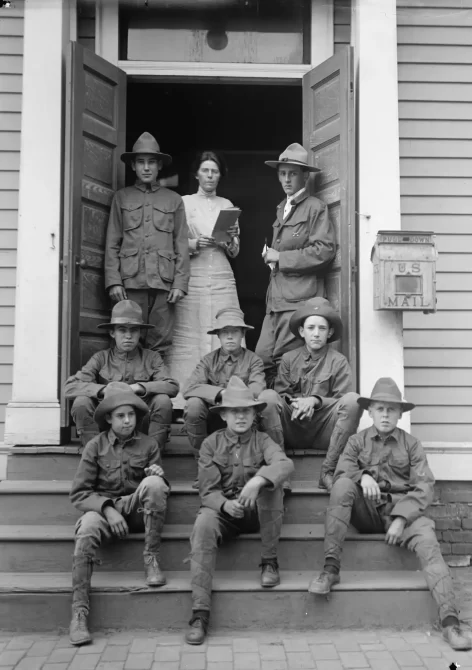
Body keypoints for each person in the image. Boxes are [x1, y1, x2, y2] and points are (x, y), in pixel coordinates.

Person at [308, 377, 472, 652]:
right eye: (380, 409)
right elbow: (340, 472)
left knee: (430, 544)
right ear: (370, 411)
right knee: (343, 485)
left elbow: (424, 487)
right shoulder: (356, 442)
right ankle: (330, 568)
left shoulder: (412, 445)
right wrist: (363, 477)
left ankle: (450, 622)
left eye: (391, 409)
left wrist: (400, 518)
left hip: (403, 513)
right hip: (367, 512)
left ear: (400, 413)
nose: (385, 415)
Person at [185, 376, 294, 645]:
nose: (241, 416)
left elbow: (284, 464)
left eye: (246, 410)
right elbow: (207, 492)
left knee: (273, 489)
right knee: (203, 525)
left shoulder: (264, 440)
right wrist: (224, 504)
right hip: (226, 515)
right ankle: (200, 613)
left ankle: (269, 561)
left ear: (254, 414)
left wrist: (258, 481)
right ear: (224, 415)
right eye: (235, 411)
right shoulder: (211, 444)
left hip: (259, 513)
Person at [69, 382, 169, 646]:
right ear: (109, 419)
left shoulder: (148, 445)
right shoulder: (95, 446)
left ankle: (152, 558)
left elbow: (157, 492)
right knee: (87, 527)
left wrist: (157, 475)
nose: (127, 421)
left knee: (155, 484)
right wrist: (108, 509)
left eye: (131, 415)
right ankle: (79, 612)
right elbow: (80, 493)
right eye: (121, 416)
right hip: (104, 511)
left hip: (136, 510)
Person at [255, 143, 336, 386]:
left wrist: (281, 258)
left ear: (305, 176)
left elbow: (324, 250)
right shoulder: (282, 207)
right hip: (276, 301)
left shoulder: (315, 207)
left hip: (298, 300)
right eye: (283, 173)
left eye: (292, 173)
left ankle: (283, 418)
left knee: (285, 362)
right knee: (261, 359)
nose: (287, 179)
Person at [261, 297, 362, 490]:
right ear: (301, 331)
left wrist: (314, 401)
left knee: (353, 400)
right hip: (292, 426)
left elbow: (344, 402)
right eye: (311, 328)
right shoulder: (289, 359)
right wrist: (299, 403)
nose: (316, 334)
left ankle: (328, 471)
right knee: (267, 397)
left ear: (330, 332)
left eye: (322, 329)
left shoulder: (338, 361)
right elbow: (280, 394)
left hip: (325, 431)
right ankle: (279, 470)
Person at [104, 132, 190, 359]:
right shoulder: (122, 198)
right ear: (133, 165)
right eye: (141, 162)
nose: (146, 167)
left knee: (161, 340)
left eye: (151, 162)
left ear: (159, 165)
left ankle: (155, 391)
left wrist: (180, 283)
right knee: (130, 337)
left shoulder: (174, 200)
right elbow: (113, 242)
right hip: (131, 281)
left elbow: (181, 243)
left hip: (164, 283)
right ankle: (129, 391)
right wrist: (113, 281)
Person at [167, 150, 241, 409]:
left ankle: (225, 397)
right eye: (206, 170)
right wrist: (195, 243)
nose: (210, 175)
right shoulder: (183, 202)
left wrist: (228, 240)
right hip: (193, 273)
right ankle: (182, 400)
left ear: (220, 175)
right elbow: (173, 243)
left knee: (224, 327)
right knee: (189, 331)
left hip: (221, 273)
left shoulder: (227, 204)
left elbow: (235, 251)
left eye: (215, 171)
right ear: (196, 173)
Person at [64, 300, 179, 449]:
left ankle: (153, 454)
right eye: (122, 330)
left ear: (140, 333)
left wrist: (136, 388)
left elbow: (172, 386)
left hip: (140, 421)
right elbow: (70, 388)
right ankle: (94, 452)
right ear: (112, 333)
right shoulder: (101, 358)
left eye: (134, 330)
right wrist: (104, 390)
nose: (128, 336)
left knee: (163, 400)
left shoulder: (151, 358)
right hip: (108, 422)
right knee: (81, 402)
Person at [183, 307, 282, 462]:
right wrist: (221, 394)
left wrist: (237, 398)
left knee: (269, 397)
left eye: (235, 331)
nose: (229, 337)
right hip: (217, 417)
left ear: (243, 334)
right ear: (218, 335)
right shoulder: (208, 360)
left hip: (246, 418)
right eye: (224, 332)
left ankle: (275, 460)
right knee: (193, 404)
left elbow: (257, 389)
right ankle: (203, 460)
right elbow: (189, 388)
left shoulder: (253, 360)